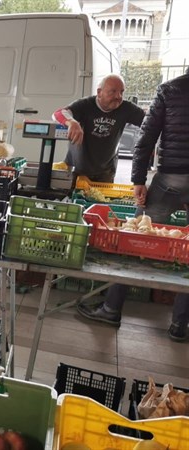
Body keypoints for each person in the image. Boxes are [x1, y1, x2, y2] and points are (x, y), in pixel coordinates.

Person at [78, 70, 189, 342]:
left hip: (171, 178)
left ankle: (111, 308)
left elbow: (146, 137)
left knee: (135, 237)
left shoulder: (170, 90)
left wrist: (139, 180)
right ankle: (180, 325)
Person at [53, 74, 145, 182]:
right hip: (77, 169)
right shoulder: (85, 105)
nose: (118, 96)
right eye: (113, 91)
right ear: (99, 92)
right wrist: (72, 122)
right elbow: (58, 113)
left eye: (121, 92)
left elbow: (149, 121)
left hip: (106, 172)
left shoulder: (126, 108)